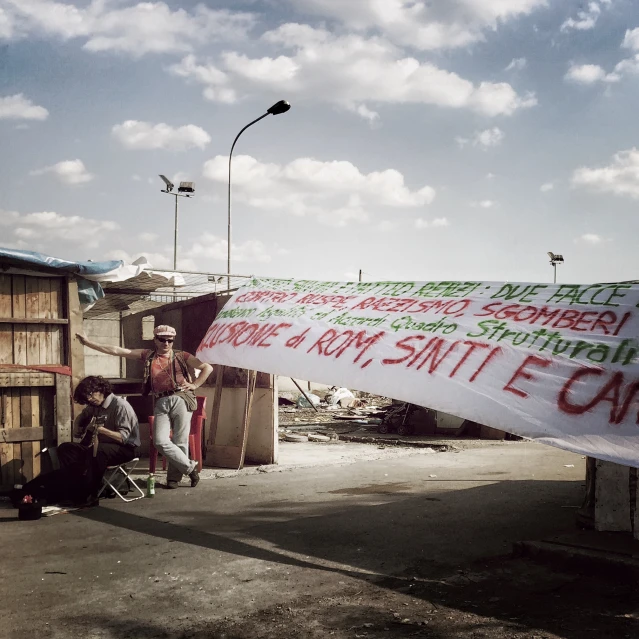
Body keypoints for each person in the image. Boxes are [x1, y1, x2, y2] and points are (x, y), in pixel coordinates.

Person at [76, 325, 213, 489]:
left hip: (181, 397)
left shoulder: (181, 355)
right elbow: (118, 351)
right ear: (155, 339)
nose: (166, 343)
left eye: (170, 340)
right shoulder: (148, 356)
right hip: (161, 400)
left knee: (180, 440)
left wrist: (195, 385)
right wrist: (88, 343)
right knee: (160, 441)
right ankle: (190, 468)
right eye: (162, 339)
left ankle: (173, 479)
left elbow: (207, 367)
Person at [16, 375, 141, 507]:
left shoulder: (121, 406)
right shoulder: (95, 405)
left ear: (101, 389)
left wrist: (101, 430)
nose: (89, 399)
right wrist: (77, 425)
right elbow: (83, 415)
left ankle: (90, 495)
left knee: (98, 452)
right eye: (86, 398)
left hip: (125, 448)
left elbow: (123, 438)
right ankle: (71, 487)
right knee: (66, 448)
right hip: (100, 447)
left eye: (91, 395)